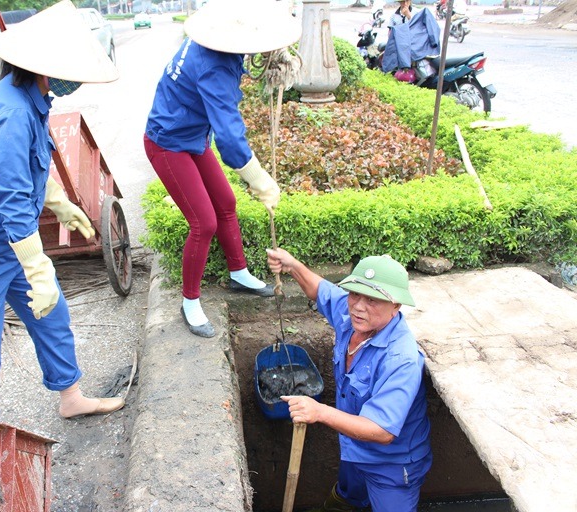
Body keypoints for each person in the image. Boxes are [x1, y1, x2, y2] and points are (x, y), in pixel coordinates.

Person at [0, 1, 124, 421]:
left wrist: (59, 203)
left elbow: (27, 168)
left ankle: (71, 396)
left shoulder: (26, 96)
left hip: (8, 244)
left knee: (52, 314)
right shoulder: (12, 110)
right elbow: (10, 199)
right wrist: (38, 270)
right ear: (45, 65)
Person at [143, 0, 301, 338]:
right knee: (204, 222)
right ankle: (190, 301)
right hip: (167, 143)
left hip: (193, 137)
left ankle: (238, 272)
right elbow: (229, 139)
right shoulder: (215, 64)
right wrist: (261, 181)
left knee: (226, 202)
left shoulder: (209, 40)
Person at [266, 248, 432, 512]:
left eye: (373, 300)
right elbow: (321, 290)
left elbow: (382, 431)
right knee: (347, 496)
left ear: (396, 305)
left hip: (392, 465)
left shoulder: (401, 359)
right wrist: (293, 264)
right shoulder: (352, 316)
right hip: (353, 448)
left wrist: (319, 411)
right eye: (355, 294)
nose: (358, 306)